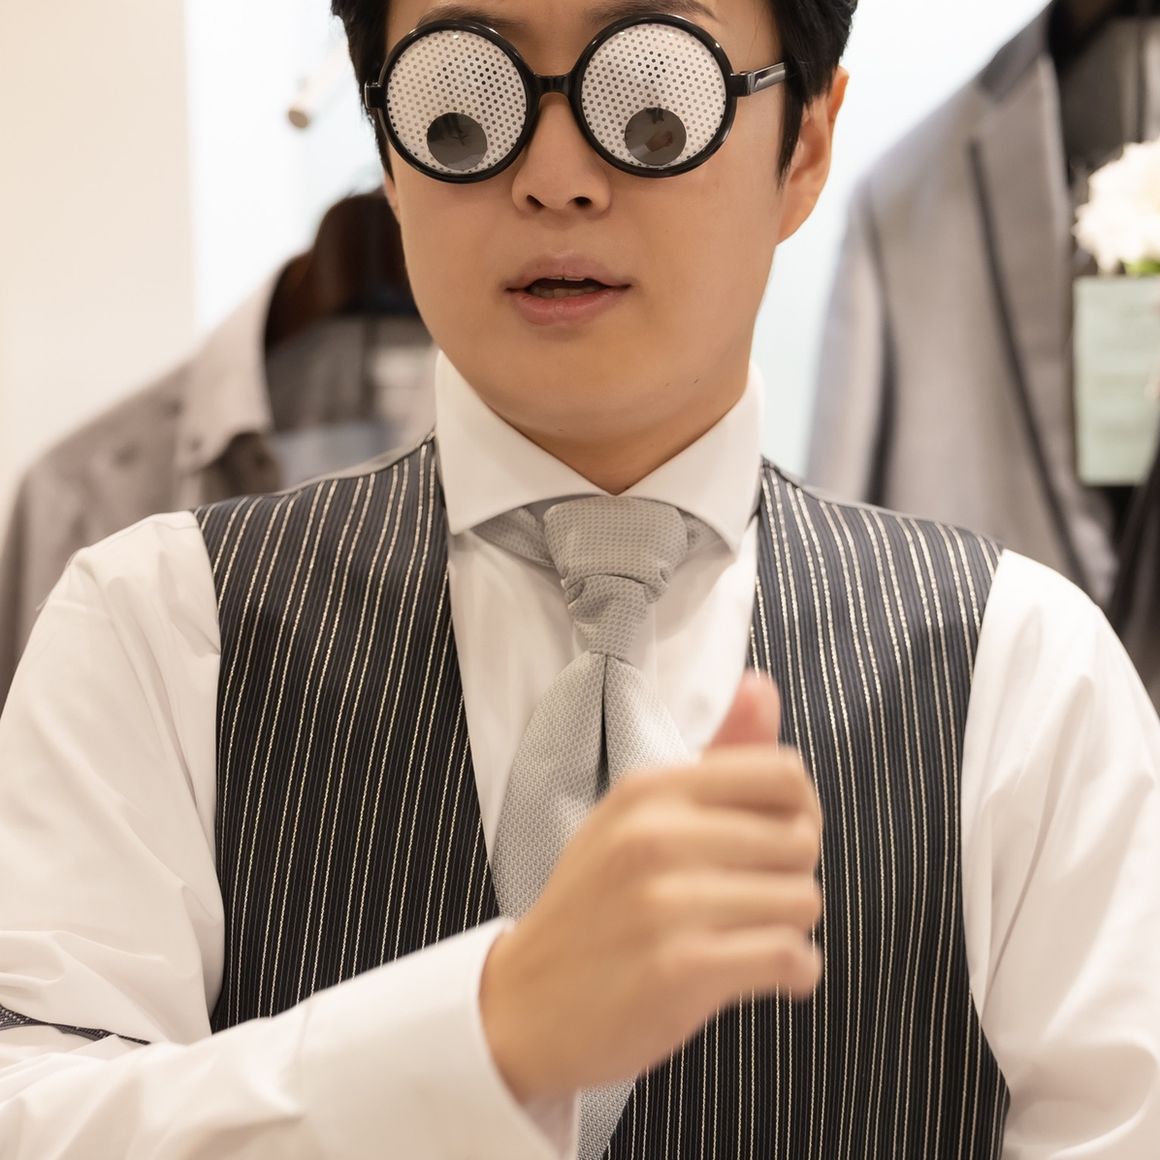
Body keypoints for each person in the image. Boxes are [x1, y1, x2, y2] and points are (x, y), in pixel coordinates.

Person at [0, 1, 1156, 1157]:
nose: (554, 179)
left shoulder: (1020, 674)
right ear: (390, 153)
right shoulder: (157, 629)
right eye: (461, 107)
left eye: (652, 103)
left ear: (803, 142)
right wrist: (479, 1038)